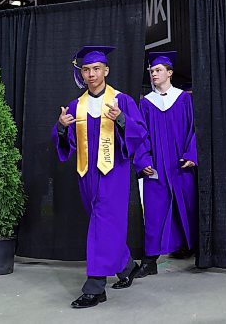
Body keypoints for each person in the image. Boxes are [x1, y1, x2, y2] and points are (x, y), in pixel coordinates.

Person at [52, 46, 147, 309]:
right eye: (86, 69)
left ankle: (95, 288)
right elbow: (65, 142)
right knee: (105, 227)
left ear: (106, 70)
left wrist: (122, 120)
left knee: (101, 227)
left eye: (96, 69)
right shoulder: (75, 105)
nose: (91, 74)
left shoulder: (121, 101)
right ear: (81, 73)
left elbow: (139, 132)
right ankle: (127, 267)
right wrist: (61, 128)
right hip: (85, 175)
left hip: (113, 174)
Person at [133, 51, 198, 278]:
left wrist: (192, 154)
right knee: (154, 212)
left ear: (170, 73)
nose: (154, 74)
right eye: (151, 71)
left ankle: (193, 251)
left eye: (158, 70)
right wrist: (144, 161)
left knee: (187, 207)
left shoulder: (184, 99)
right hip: (157, 167)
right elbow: (140, 136)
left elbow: (194, 129)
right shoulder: (146, 104)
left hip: (181, 164)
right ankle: (149, 261)